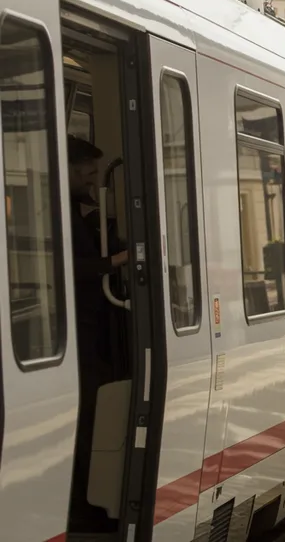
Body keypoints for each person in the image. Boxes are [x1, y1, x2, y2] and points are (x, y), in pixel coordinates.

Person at [66, 136, 129, 532]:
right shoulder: (59, 211)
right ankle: (83, 507)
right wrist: (119, 260)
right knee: (88, 419)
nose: (92, 180)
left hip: (89, 333)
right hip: (80, 335)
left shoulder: (74, 210)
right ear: (69, 170)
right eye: (87, 173)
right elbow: (72, 268)